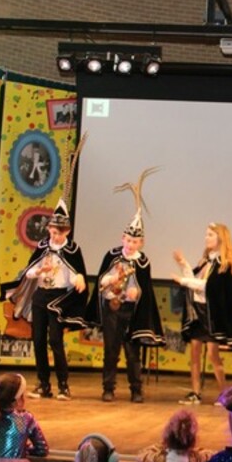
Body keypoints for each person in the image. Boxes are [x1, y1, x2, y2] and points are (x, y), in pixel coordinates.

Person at [86, 168, 164, 404]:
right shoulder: (112, 255)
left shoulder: (143, 262)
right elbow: (101, 280)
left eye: (135, 241)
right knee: (111, 350)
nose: (130, 245)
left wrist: (135, 292)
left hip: (131, 311)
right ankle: (108, 388)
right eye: (128, 240)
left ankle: (136, 389)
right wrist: (109, 281)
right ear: (123, 238)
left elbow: (144, 290)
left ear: (141, 242)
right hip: (113, 308)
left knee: (132, 352)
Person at [2, 199, 88, 400]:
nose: (54, 236)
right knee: (38, 339)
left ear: (67, 232)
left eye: (58, 233)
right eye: (52, 231)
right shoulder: (43, 246)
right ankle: (43, 384)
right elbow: (29, 272)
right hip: (41, 296)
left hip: (59, 299)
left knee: (55, 340)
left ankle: (63, 385)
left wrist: (79, 278)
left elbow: (75, 273)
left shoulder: (73, 250)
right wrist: (39, 271)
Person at [172, 222, 232, 405]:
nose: (206, 238)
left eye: (210, 235)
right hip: (198, 312)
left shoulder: (223, 265)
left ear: (221, 239)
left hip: (212, 315)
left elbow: (207, 287)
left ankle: (224, 394)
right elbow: (194, 280)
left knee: (213, 355)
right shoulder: (205, 262)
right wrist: (183, 264)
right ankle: (195, 393)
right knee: (195, 353)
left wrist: (182, 281)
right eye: (206, 234)